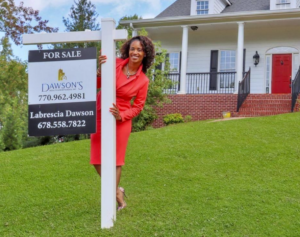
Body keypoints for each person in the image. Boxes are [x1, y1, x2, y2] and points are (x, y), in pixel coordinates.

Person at [90, 36, 155, 210]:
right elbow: (97, 84)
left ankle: (112, 199)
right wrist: (99, 71)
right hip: (101, 111)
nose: (135, 52)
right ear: (128, 50)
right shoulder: (115, 63)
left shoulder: (143, 80)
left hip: (121, 119)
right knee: (97, 159)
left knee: (117, 161)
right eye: (133, 48)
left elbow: (139, 106)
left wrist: (122, 115)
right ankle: (117, 190)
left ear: (145, 54)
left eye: (139, 50)